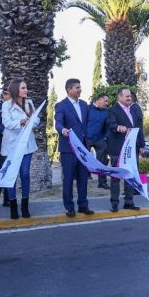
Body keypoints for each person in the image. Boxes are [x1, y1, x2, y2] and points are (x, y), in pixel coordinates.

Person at [55, 78, 93, 218]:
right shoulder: (61, 105)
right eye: (77, 87)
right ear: (69, 89)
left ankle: (83, 205)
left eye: (80, 87)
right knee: (69, 179)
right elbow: (58, 123)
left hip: (83, 149)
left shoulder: (84, 104)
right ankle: (69, 207)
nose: (80, 89)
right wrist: (63, 130)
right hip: (68, 149)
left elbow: (87, 123)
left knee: (83, 178)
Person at [1, 78, 39, 220]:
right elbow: (7, 123)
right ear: (16, 89)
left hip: (27, 145)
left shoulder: (29, 103)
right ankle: (13, 206)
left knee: (25, 174)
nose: (26, 90)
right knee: (11, 176)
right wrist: (21, 121)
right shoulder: (6, 105)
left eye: (26, 87)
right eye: (23, 88)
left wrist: (31, 117)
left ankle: (25, 205)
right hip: (12, 146)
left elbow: (37, 120)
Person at [106, 87, 145, 212]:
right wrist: (118, 127)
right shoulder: (113, 110)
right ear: (120, 97)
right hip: (118, 149)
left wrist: (141, 145)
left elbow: (138, 129)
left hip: (132, 149)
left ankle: (129, 201)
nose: (129, 98)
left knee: (131, 175)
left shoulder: (133, 110)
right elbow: (111, 125)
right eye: (127, 96)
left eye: (130, 96)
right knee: (116, 177)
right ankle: (114, 203)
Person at [86, 93, 110, 189]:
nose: (106, 103)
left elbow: (108, 126)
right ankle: (85, 179)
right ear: (99, 100)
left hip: (100, 139)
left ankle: (102, 183)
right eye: (105, 101)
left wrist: (105, 137)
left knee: (103, 161)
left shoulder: (106, 112)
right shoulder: (87, 109)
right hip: (86, 139)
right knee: (84, 159)